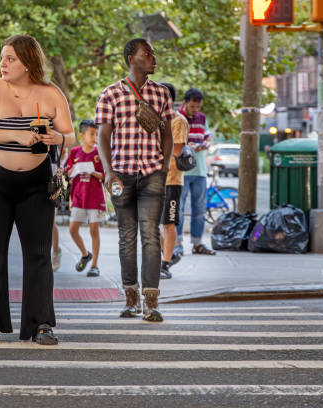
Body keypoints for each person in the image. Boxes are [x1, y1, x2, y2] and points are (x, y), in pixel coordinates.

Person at [0, 34, 75, 344]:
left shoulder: (51, 93)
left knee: (39, 253)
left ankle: (41, 323)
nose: (3, 64)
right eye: (2, 58)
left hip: (36, 182)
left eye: (10, 59)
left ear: (28, 62)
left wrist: (58, 138)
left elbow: (70, 135)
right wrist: (17, 137)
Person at [95, 38, 173, 322]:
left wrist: (163, 168)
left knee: (151, 236)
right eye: (146, 54)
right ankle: (130, 299)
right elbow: (103, 136)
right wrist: (108, 171)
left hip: (152, 173)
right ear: (131, 59)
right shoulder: (110, 94)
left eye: (152, 53)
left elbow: (167, 134)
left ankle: (151, 303)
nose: (153, 57)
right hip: (121, 174)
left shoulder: (162, 93)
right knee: (127, 238)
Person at [175, 88, 216, 256]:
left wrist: (206, 144)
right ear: (185, 103)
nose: (195, 110)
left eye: (197, 106)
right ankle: (177, 243)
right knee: (179, 207)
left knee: (199, 208)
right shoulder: (178, 118)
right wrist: (187, 146)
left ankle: (197, 243)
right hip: (182, 171)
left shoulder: (202, 118)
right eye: (192, 106)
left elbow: (208, 137)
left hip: (199, 170)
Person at [66, 119, 106, 278]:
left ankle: (95, 265)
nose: (94, 137)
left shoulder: (99, 153)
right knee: (73, 229)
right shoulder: (75, 152)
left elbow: (105, 175)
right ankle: (85, 254)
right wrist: (75, 169)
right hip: (78, 197)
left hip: (95, 198)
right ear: (82, 135)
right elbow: (68, 172)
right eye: (91, 134)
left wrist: (93, 173)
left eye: (96, 134)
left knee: (94, 230)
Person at [158, 83, 188, 280]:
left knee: (169, 223)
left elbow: (176, 151)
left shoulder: (178, 121)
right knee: (151, 224)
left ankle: (166, 263)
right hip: (152, 177)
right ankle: (167, 255)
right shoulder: (152, 119)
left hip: (171, 179)